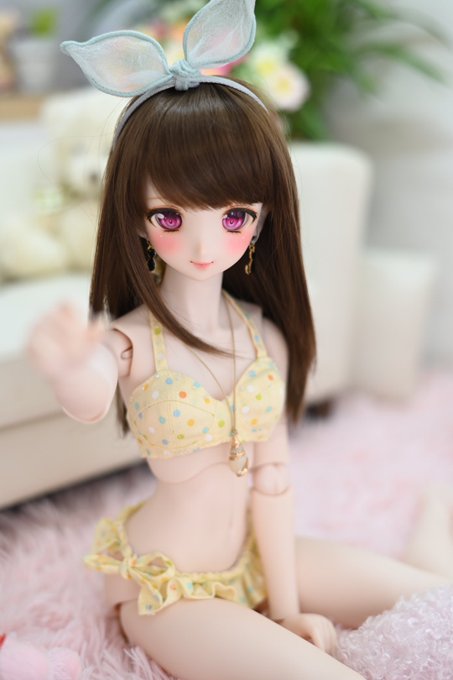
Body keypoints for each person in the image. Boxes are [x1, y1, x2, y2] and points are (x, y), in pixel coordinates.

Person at [28, 1, 453, 678]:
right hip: (169, 589)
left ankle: (436, 523)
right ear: (134, 219)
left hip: (256, 556)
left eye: (232, 217)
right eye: (170, 216)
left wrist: (286, 609)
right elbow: (89, 395)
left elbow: (273, 483)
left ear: (261, 218)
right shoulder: (130, 344)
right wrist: (71, 369)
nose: (204, 246)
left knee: (435, 600)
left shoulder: (264, 339)